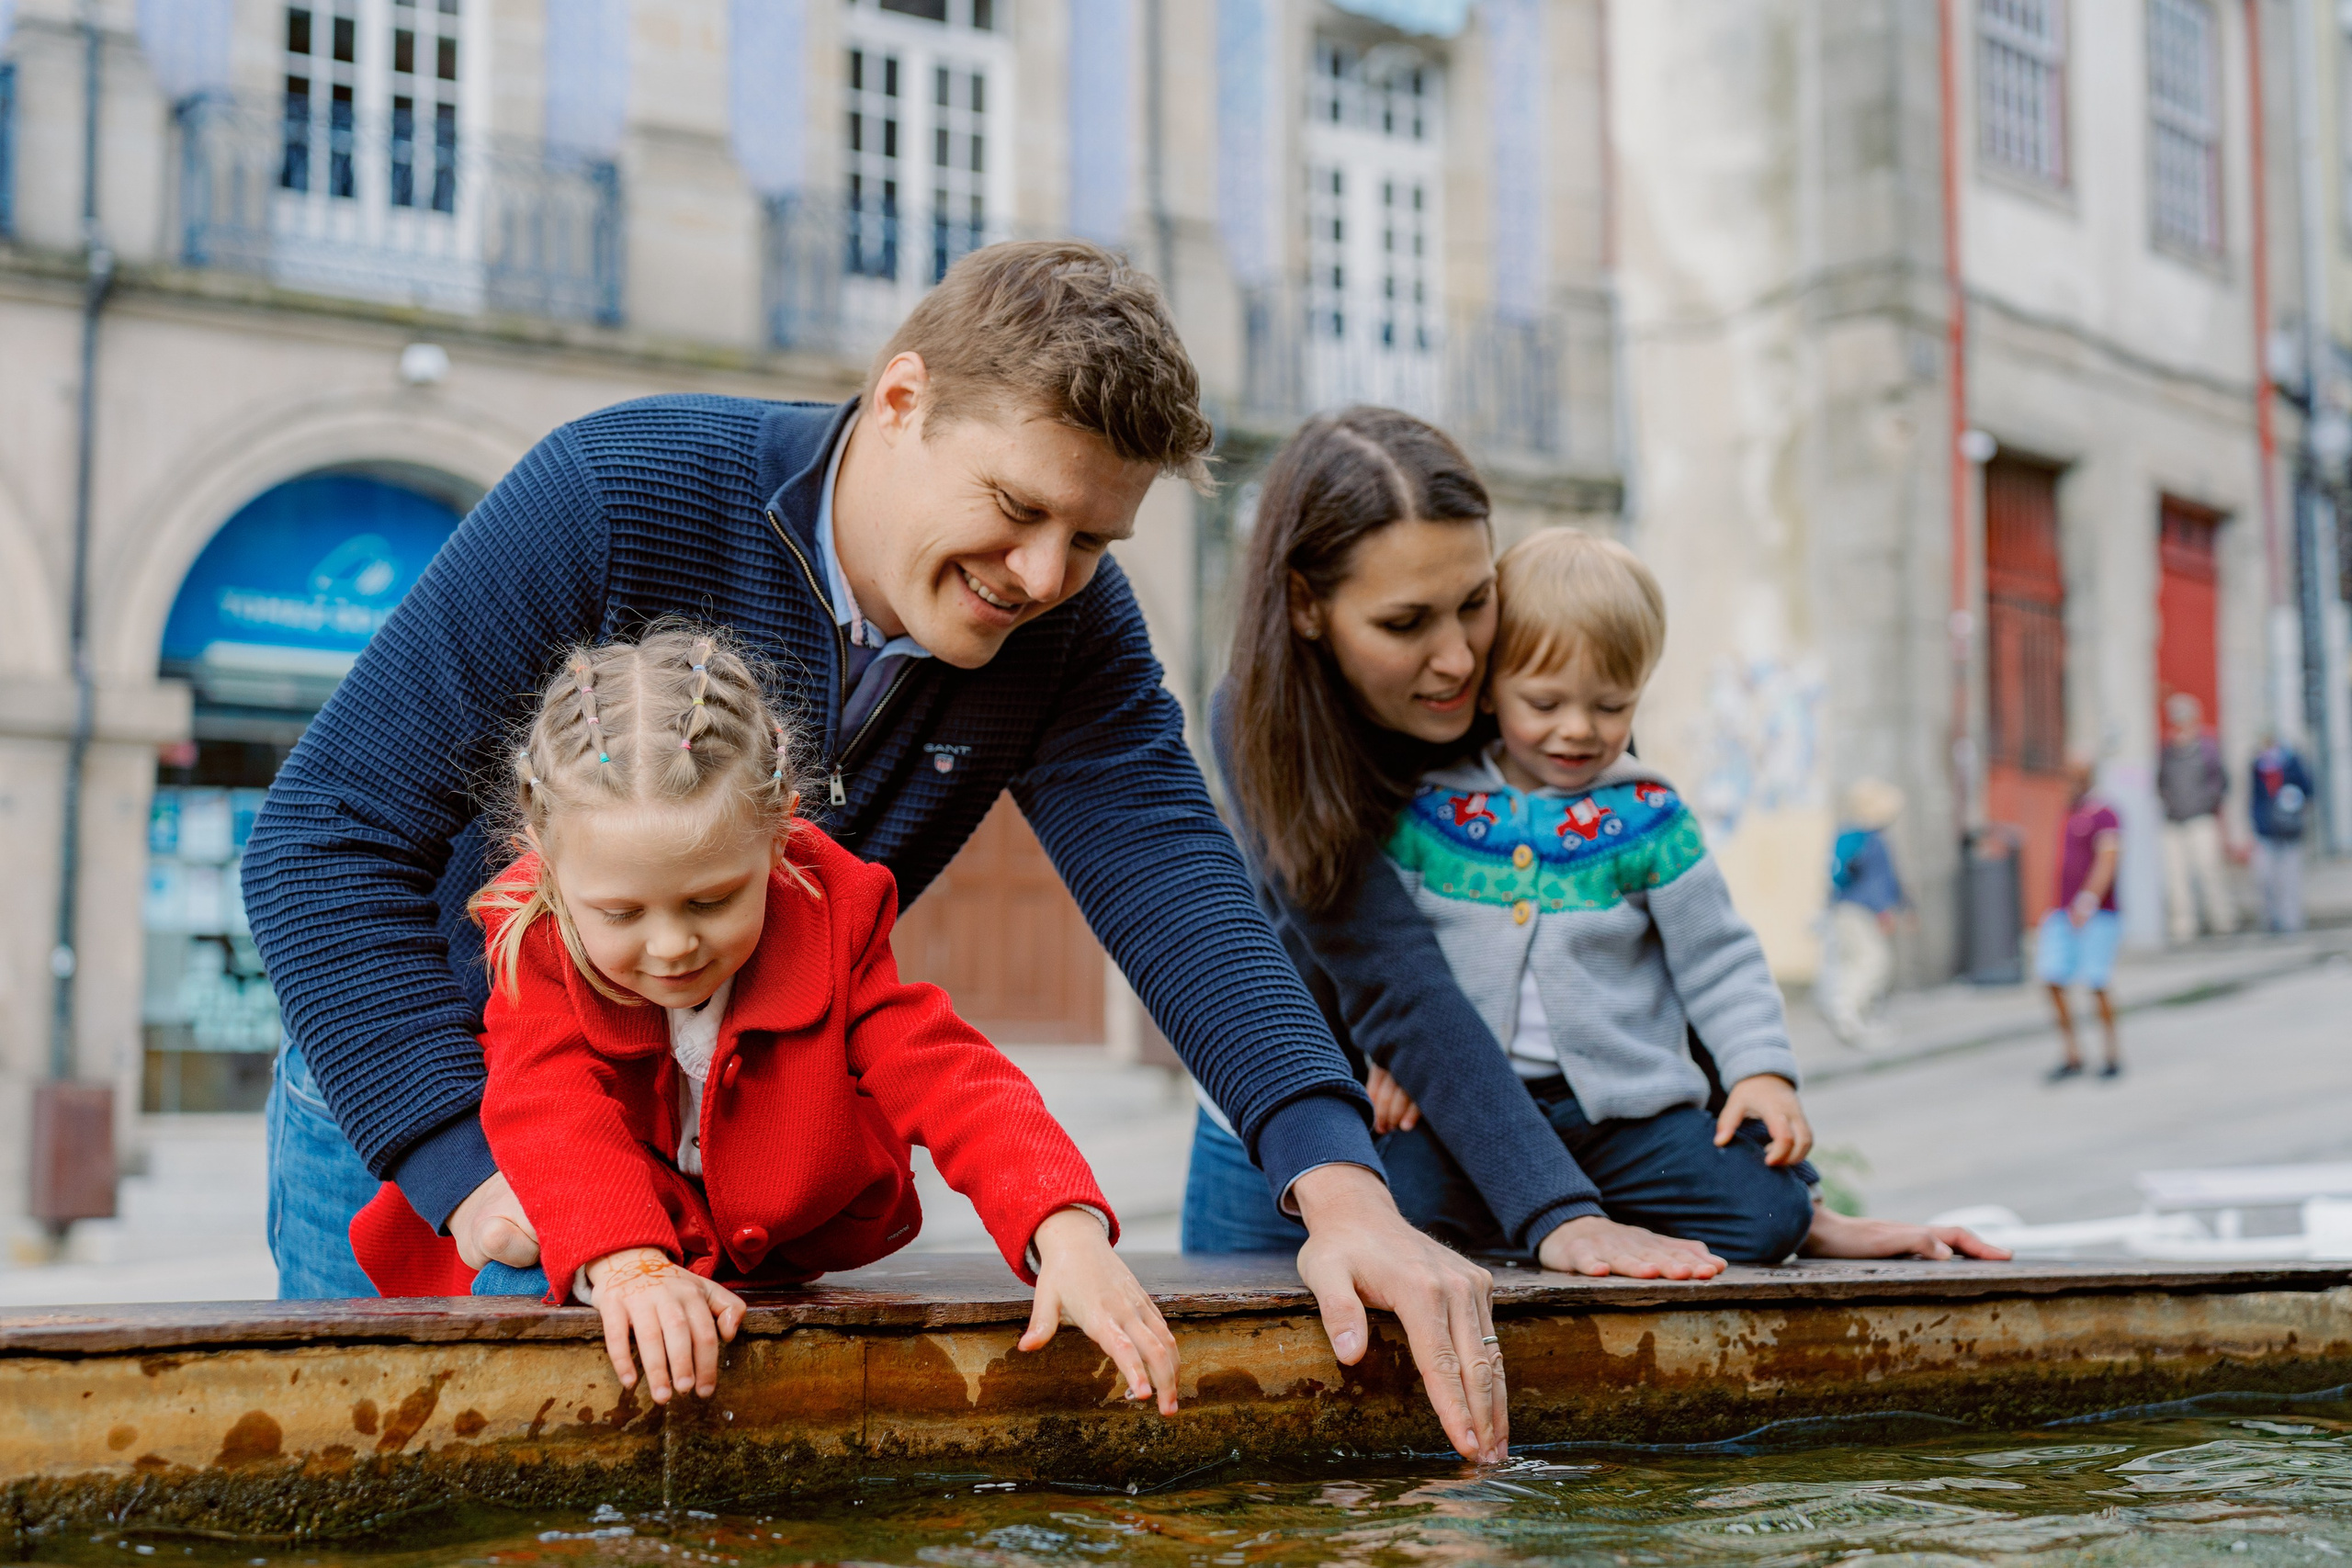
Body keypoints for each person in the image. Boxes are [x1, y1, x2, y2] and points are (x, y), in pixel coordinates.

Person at [243, 243, 1507, 1462]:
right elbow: (319, 844)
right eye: (1017, 509)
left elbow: (1177, 878)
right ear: (901, 398)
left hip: (698, 1143)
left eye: (1093, 540)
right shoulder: (615, 492)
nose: (1042, 575)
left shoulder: (1069, 625)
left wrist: (1343, 1189)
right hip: (424, 1088)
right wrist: (467, 1172)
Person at [1202, 409, 2007, 1273]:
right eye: (1405, 625)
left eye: (1475, 604)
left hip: (1506, 1129)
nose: (1457, 662)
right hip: (1311, 1126)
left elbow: (1666, 944)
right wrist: (1555, 1212)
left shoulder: (1540, 711)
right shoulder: (1265, 725)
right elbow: (1400, 986)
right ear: (1307, 606)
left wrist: (1790, 1197)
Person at [346, 629, 1177, 1413]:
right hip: (574, 1242)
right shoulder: (536, 944)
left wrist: (1063, 1228)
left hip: (747, 1257)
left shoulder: (830, 916)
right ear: (548, 859)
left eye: (712, 900)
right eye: (621, 911)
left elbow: (947, 1071)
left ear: (779, 828)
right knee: (521, 1282)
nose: (671, 944)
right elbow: (552, 1103)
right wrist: (630, 1265)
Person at [2040, 756, 2124, 1082]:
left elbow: (2108, 859)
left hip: (2096, 914)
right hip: (2061, 911)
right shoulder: (2070, 813)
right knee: (2052, 978)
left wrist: (2088, 901)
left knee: (2096, 981)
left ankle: (2111, 1052)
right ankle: (2072, 1052)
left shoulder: (2105, 814)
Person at [1819, 777, 1908, 1046]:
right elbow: (1880, 882)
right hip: (1861, 909)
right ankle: (1848, 1014)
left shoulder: (1847, 835)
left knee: (1854, 960)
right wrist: (1886, 911)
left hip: (1843, 907)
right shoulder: (1871, 840)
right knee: (1874, 961)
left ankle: (1857, 1013)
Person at [2156, 693, 2236, 943]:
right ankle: (2184, 927)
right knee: (2176, 877)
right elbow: (2160, 781)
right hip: (2174, 819)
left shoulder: (2207, 747)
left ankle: (2222, 921)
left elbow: (2222, 781)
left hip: (2201, 817)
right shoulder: (2168, 750)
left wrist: (2208, 802)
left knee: (2209, 870)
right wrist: (2168, 801)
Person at [2250, 733, 2314, 934]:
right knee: (2266, 879)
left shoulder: (2291, 763)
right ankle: (2272, 921)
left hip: (2289, 831)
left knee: (2290, 879)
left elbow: (2308, 790)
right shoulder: (2257, 767)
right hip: (2266, 830)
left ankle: (2292, 922)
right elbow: (2254, 798)